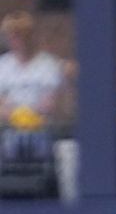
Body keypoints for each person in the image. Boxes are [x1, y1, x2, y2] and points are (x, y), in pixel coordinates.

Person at [0, 10, 69, 199]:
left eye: (22, 34)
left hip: (43, 135)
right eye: (13, 35)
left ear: (31, 36)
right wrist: (16, 116)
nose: (18, 39)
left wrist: (29, 116)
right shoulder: (2, 66)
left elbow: (50, 103)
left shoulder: (49, 65)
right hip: (7, 137)